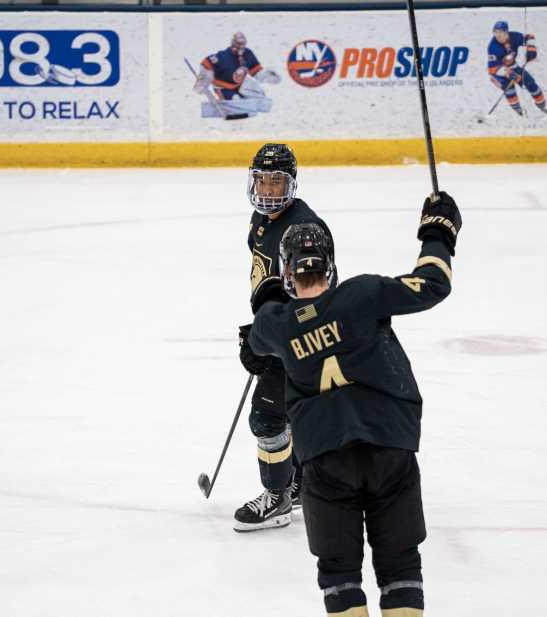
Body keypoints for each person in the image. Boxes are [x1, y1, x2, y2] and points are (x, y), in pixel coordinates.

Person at [243, 190, 462, 616]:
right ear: (330, 263)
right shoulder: (363, 294)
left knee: (340, 573)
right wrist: (438, 232)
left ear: (288, 270)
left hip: (325, 460)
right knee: (400, 566)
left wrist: (269, 302)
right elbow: (433, 284)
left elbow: (254, 341)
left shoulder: (278, 326)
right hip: (388, 446)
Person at [234, 143, 336, 533]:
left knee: (267, 415)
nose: (268, 189)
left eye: (277, 182)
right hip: (280, 331)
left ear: (291, 184)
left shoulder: (303, 230)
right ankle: (296, 484)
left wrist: (271, 339)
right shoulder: (260, 219)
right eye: (263, 179)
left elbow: (315, 298)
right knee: (288, 412)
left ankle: (276, 499)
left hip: (300, 338)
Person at [193, 32, 281, 118]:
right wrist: (202, 81)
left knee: (261, 98)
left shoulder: (248, 54)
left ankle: (248, 105)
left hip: (241, 84)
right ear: (233, 43)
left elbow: (256, 71)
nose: (241, 47)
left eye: (243, 44)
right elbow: (206, 63)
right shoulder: (222, 56)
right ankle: (236, 106)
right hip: (223, 87)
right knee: (236, 101)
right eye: (238, 44)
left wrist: (267, 76)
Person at [487, 20, 547, 116]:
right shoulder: (493, 47)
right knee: (509, 88)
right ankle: (518, 110)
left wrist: (531, 48)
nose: (498, 35)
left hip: (512, 66)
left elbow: (529, 37)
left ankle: (542, 105)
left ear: (506, 32)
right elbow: (492, 69)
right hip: (498, 73)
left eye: (500, 32)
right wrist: (508, 73)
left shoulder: (514, 36)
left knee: (530, 83)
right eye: (495, 32)